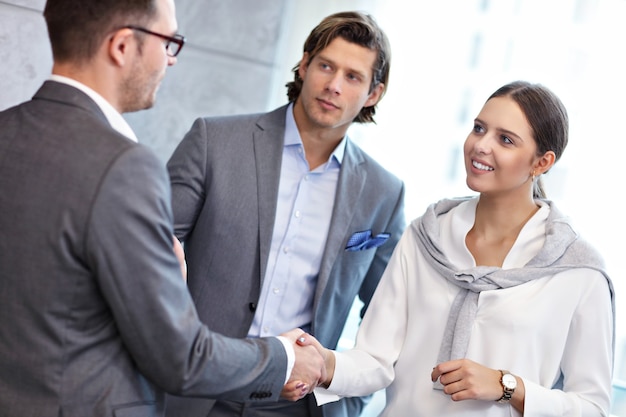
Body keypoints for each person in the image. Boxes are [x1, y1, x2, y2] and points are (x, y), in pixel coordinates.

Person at [0, 1, 326, 416]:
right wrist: (282, 359)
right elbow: (181, 358)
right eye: (169, 41)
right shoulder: (123, 167)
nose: (170, 61)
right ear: (121, 46)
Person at [296, 81, 616, 416]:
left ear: (542, 162)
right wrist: (324, 364)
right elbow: (375, 359)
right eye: (479, 128)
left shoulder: (578, 272)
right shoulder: (425, 237)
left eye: (505, 139)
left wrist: (508, 386)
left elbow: (593, 407)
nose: (481, 145)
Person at [165, 10, 405, 417]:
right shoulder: (214, 142)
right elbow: (146, 253)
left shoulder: (383, 191)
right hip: (197, 390)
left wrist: (350, 398)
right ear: (305, 64)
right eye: (326, 66)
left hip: (300, 404)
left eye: (353, 77)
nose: (333, 85)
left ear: (373, 94)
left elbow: (390, 315)